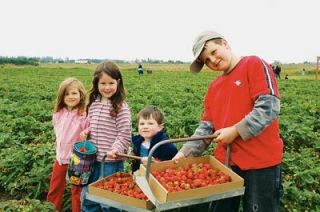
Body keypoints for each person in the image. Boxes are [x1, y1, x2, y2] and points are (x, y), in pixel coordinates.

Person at [173, 30, 283, 212]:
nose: (212, 60)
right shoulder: (214, 87)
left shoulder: (253, 64)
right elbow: (207, 127)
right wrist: (185, 152)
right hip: (226, 164)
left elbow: (269, 107)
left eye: (213, 52)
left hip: (261, 164)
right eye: (206, 60)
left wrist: (236, 131)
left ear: (225, 43)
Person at [80, 60, 132, 211]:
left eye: (111, 83)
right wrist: (87, 133)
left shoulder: (120, 107)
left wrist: (116, 149)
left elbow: (124, 135)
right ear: (96, 83)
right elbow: (94, 124)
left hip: (110, 161)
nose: (107, 87)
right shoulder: (94, 103)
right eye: (103, 83)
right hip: (91, 160)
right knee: (89, 197)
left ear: (118, 82)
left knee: (109, 201)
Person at [47, 77, 90, 212]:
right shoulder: (58, 114)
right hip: (60, 158)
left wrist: (87, 132)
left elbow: (91, 128)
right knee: (55, 187)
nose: (71, 97)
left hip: (78, 160)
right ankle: (52, 209)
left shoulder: (84, 114)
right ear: (62, 96)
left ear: (80, 94)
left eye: (74, 93)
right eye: (67, 94)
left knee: (76, 191)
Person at [131, 106, 178, 173]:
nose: (145, 127)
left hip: (158, 178)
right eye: (142, 124)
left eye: (150, 123)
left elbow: (171, 165)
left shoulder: (166, 145)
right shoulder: (137, 141)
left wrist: (155, 163)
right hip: (141, 176)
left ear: (160, 127)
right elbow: (136, 162)